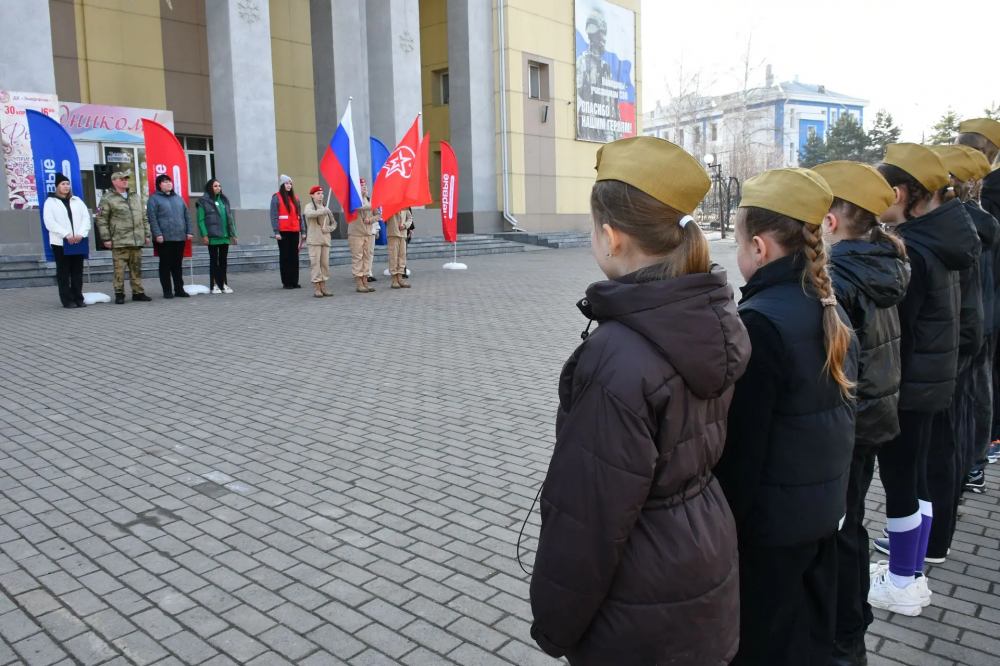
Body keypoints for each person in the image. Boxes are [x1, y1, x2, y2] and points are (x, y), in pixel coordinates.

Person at [529, 137, 749, 666]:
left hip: (638, 599)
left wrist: (556, 626)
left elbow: (589, 520)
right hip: (703, 561)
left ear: (610, 236)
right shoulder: (712, 317)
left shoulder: (617, 359)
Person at [713, 168, 858, 666]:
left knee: (761, 646)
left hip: (769, 531)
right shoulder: (827, 306)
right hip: (819, 516)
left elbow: (741, 454)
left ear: (758, 247)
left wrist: (719, 531)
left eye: (735, 242)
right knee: (807, 640)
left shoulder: (760, 323)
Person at [867, 144, 978, 616]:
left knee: (900, 483)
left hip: (907, 388)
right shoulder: (947, 239)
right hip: (933, 382)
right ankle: (911, 571)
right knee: (916, 480)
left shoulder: (914, 249)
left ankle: (901, 583)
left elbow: (899, 332)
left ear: (899, 192)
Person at [813, 161, 908, 666]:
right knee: (850, 523)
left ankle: (845, 636)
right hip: (873, 420)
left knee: (839, 530)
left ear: (830, 223)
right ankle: (850, 630)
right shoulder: (882, 262)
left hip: (849, 426)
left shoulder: (842, 277)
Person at [97, 171, 151, 304]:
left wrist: (146, 233)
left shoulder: (135, 196)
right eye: (121, 179)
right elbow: (102, 219)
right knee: (119, 270)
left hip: (136, 239)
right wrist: (106, 238)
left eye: (126, 179)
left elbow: (143, 216)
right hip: (120, 240)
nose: (125, 181)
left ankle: (138, 292)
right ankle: (119, 293)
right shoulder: (108, 198)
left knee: (136, 268)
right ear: (114, 181)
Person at [43, 173, 92, 308]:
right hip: (61, 242)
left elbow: (86, 218)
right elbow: (49, 222)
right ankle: (67, 299)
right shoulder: (51, 202)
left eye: (67, 184)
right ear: (57, 186)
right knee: (64, 272)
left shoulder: (77, 201)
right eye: (63, 184)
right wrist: (66, 234)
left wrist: (81, 234)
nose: (66, 186)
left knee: (77, 271)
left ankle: (78, 297)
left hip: (78, 241)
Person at [147, 174, 193, 299]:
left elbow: (187, 215)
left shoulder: (178, 198)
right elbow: (152, 218)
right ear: (159, 185)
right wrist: (158, 234)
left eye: (170, 181)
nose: (168, 184)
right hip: (164, 238)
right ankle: (167, 291)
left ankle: (179, 289)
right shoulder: (154, 199)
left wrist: (189, 231)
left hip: (179, 237)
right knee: (165, 265)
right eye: (165, 182)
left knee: (177, 265)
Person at [196, 179, 237, 294]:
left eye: (219, 186)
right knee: (214, 261)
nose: (218, 188)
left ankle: (223, 284)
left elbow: (230, 219)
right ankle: (214, 285)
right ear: (210, 188)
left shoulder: (224, 201)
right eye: (215, 186)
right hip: (213, 237)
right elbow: (201, 220)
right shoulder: (203, 202)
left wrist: (233, 233)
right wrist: (205, 235)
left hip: (225, 237)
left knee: (223, 261)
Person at [270, 174, 305, 289]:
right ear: (282, 185)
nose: (289, 185)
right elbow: (274, 216)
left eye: (290, 183)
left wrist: (303, 231)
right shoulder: (277, 197)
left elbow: (300, 216)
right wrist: (276, 232)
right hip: (283, 232)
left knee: (294, 257)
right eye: (286, 183)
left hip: (294, 231)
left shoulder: (295, 198)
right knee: (285, 257)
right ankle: (286, 282)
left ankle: (294, 281)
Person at [304, 185, 336, 297]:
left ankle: (323, 287)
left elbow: (334, 223)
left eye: (322, 193)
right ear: (312, 195)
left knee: (324, 265)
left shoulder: (326, 208)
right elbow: (309, 214)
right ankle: (316, 288)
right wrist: (323, 210)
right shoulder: (309, 206)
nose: (321, 195)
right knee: (315, 264)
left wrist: (327, 229)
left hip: (325, 240)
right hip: (314, 241)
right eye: (318, 193)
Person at [351, 180, 378, 293]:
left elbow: (378, 214)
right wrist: (373, 206)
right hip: (356, 233)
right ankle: (359, 282)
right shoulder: (354, 200)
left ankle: (365, 280)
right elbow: (360, 208)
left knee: (367, 257)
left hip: (367, 232)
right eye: (362, 185)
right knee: (358, 258)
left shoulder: (370, 200)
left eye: (365, 185)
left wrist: (370, 220)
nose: (365, 187)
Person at [386, 207, 412, 289]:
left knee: (402, 256)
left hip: (403, 234)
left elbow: (410, 218)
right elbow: (385, 217)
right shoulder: (389, 205)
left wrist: (405, 225)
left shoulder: (405, 206)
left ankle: (400, 278)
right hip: (393, 233)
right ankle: (394, 279)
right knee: (393, 257)